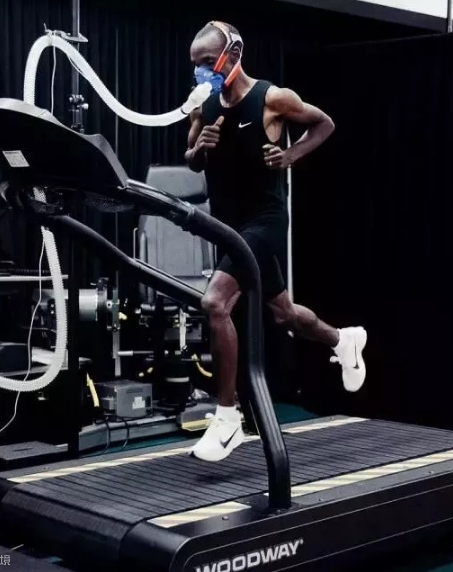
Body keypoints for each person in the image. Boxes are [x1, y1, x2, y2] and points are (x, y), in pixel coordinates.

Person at [185, 21, 367, 462]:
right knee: (283, 313)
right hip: (228, 223)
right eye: (195, 65)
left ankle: (227, 417)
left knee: (215, 303)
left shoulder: (272, 98)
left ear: (232, 56)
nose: (201, 72)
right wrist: (201, 147)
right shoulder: (203, 103)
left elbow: (324, 124)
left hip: (264, 220)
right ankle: (342, 340)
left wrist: (289, 156)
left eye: (208, 62)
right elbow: (191, 160)